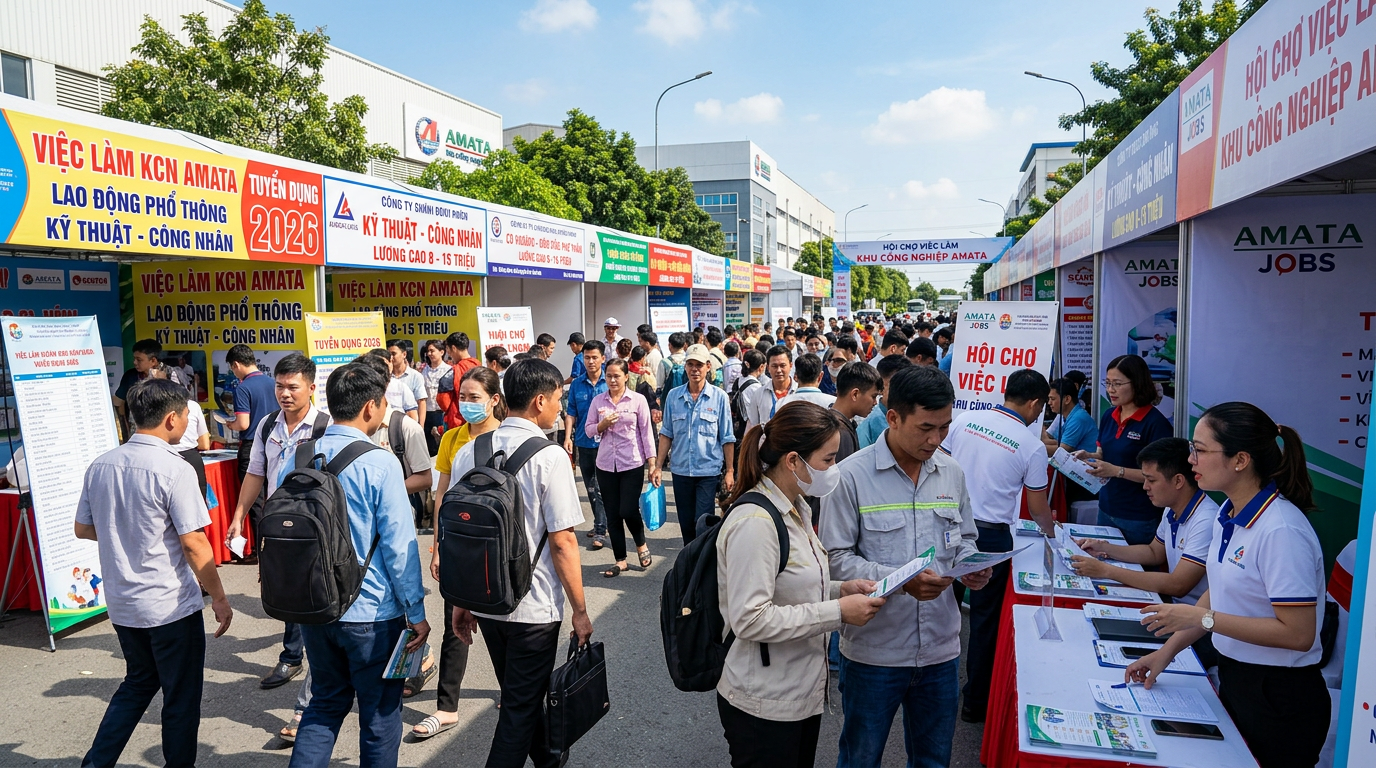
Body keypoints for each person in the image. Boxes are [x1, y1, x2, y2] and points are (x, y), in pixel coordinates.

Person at [1125, 403, 1327, 768]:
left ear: (1240, 460)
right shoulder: (1227, 513)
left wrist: (1202, 620)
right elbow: (1218, 591)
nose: (1190, 461)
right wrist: (1167, 652)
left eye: (1200, 451)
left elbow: (1298, 634)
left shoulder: (1281, 530)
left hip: (1279, 697)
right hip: (1238, 678)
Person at [820, 366, 993, 767]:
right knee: (861, 758)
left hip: (941, 652)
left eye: (945, 427)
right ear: (892, 417)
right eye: (926, 428)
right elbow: (834, 561)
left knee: (933, 760)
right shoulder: (849, 477)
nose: (936, 440)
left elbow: (965, 539)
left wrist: (974, 567)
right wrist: (901, 582)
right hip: (875, 654)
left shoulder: (952, 471)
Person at [716, 402, 886, 768]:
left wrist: (839, 589)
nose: (834, 469)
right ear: (794, 461)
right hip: (764, 703)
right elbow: (750, 619)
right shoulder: (756, 523)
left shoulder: (797, 506)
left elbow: (789, 583)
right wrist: (838, 611)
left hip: (797, 695)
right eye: (827, 460)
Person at [74, 378, 233, 768]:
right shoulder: (173, 468)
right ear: (172, 418)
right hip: (169, 607)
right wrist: (220, 597)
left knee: (138, 683)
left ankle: (96, 763)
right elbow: (195, 544)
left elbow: (83, 527)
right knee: (180, 697)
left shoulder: (101, 464)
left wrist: (123, 533)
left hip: (125, 605)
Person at [281, 361, 428, 768]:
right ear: (370, 407)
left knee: (324, 705)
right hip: (373, 612)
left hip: (314, 607)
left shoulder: (300, 455)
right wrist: (416, 613)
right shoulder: (381, 464)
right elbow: (401, 549)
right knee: (380, 715)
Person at [448, 359, 593, 768]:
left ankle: (549, 760)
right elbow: (563, 542)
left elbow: (462, 535)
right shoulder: (549, 458)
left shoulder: (469, 453)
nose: (560, 410)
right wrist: (580, 612)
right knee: (519, 709)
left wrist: (462, 602)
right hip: (533, 607)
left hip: (485, 600)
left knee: (520, 698)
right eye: (558, 401)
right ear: (540, 401)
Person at [941, 369, 1054, 724]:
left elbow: (938, 464)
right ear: (1034, 403)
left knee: (940, 606)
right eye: (1041, 408)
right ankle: (974, 702)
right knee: (984, 621)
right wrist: (1056, 537)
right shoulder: (1031, 446)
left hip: (947, 523)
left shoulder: (965, 420)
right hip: (989, 536)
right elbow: (1038, 510)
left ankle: (929, 687)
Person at [226, 353, 330, 738]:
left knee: (317, 602)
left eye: (293, 387)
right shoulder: (268, 423)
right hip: (277, 528)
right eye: (280, 387)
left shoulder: (326, 426)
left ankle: (309, 702)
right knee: (286, 594)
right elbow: (257, 471)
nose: (284, 394)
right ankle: (292, 657)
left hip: (316, 530)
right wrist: (239, 515)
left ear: (311, 387)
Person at [414, 366, 505, 740]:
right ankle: (445, 709)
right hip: (459, 544)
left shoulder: (507, 438)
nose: (466, 404)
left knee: (503, 625)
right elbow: (442, 498)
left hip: (499, 548)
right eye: (461, 397)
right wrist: (438, 546)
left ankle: (512, 690)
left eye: (474, 398)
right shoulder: (452, 438)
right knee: (456, 624)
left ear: (495, 400)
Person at [1070, 437, 1213, 606]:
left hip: (1195, 619)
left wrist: (1106, 570)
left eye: (1151, 480)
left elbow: (1178, 585)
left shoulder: (1206, 520)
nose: (1145, 486)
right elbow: (1153, 552)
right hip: (1177, 608)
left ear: (1178, 481)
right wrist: (1103, 547)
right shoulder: (1172, 507)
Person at [1077, 355, 1173, 544]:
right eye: (1108, 383)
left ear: (1137, 383)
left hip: (1137, 515)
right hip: (1106, 507)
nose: (1111, 390)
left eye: (1117, 384)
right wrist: (1088, 456)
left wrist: (1117, 471)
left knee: (1136, 569)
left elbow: (1160, 476)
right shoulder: (1109, 415)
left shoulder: (1155, 423)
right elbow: (1103, 454)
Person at [653, 345, 737, 544]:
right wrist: (657, 466)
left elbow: (727, 437)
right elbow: (666, 434)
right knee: (685, 523)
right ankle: (689, 564)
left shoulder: (719, 397)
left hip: (708, 471)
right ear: (685, 367)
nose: (694, 369)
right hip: (681, 470)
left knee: (702, 521)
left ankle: (701, 564)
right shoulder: (674, 396)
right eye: (690, 364)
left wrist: (730, 471)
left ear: (708, 367)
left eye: (699, 365)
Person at [584, 358, 656, 577]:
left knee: (628, 509)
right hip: (605, 464)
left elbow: (646, 432)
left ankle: (641, 544)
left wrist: (652, 462)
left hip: (632, 462)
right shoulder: (598, 401)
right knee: (613, 514)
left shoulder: (637, 400)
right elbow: (588, 430)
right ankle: (620, 560)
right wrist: (601, 425)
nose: (613, 380)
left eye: (617, 376)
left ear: (626, 377)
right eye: (609, 376)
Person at [565, 339, 611, 549]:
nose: (590, 361)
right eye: (587, 358)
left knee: (600, 488)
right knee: (590, 487)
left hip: (607, 444)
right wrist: (567, 438)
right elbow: (571, 412)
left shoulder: (609, 382)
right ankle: (602, 521)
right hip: (584, 442)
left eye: (594, 357)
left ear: (603, 358)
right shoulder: (576, 384)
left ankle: (601, 530)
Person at [112, 338, 187, 438]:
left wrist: (162, 383)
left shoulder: (171, 374)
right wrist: (124, 429)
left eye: (139, 360)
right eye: (134, 358)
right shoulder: (130, 376)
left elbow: (180, 403)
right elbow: (118, 402)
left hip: (165, 432)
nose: (134, 362)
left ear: (153, 361)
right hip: (137, 432)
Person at [855, 355, 914, 449]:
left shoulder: (913, 417)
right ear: (882, 386)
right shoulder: (871, 423)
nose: (904, 391)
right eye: (897, 385)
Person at [830, 362, 882, 462]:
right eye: (873, 396)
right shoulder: (838, 431)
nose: (875, 402)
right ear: (855, 394)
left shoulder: (843, 424)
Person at [742, 345, 796, 430]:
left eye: (782, 365)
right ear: (768, 368)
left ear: (790, 365)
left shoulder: (798, 392)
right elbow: (753, 426)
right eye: (774, 366)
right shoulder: (758, 394)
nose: (778, 370)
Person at [1042, 377, 1097, 455]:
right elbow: (1056, 442)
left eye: (1053, 399)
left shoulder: (1078, 418)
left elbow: (1062, 450)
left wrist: (1033, 449)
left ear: (1067, 399)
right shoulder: (1067, 416)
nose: (1049, 403)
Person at [436, 332, 481, 428]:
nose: (449, 354)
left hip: (457, 421)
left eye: (448, 350)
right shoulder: (479, 366)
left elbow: (443, 400)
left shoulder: (454, 371)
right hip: (478, 419)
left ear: (453, 348)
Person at [387, 340, 428, 424]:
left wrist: (420, 426)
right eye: (389, 355)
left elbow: (421, 402)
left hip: (409, 423)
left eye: (393, 354)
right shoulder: (385, 377)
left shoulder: (415, 376)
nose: (391, 358)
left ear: (404, 354)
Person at [419, 340, 448, 455]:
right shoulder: (423, 371)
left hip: (441, 412)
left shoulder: (448, 370)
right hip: (427, 411)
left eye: (432, 351)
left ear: (441, 352)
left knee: (442, 442)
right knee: (428, 443)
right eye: (428, 351)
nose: (429, 354)